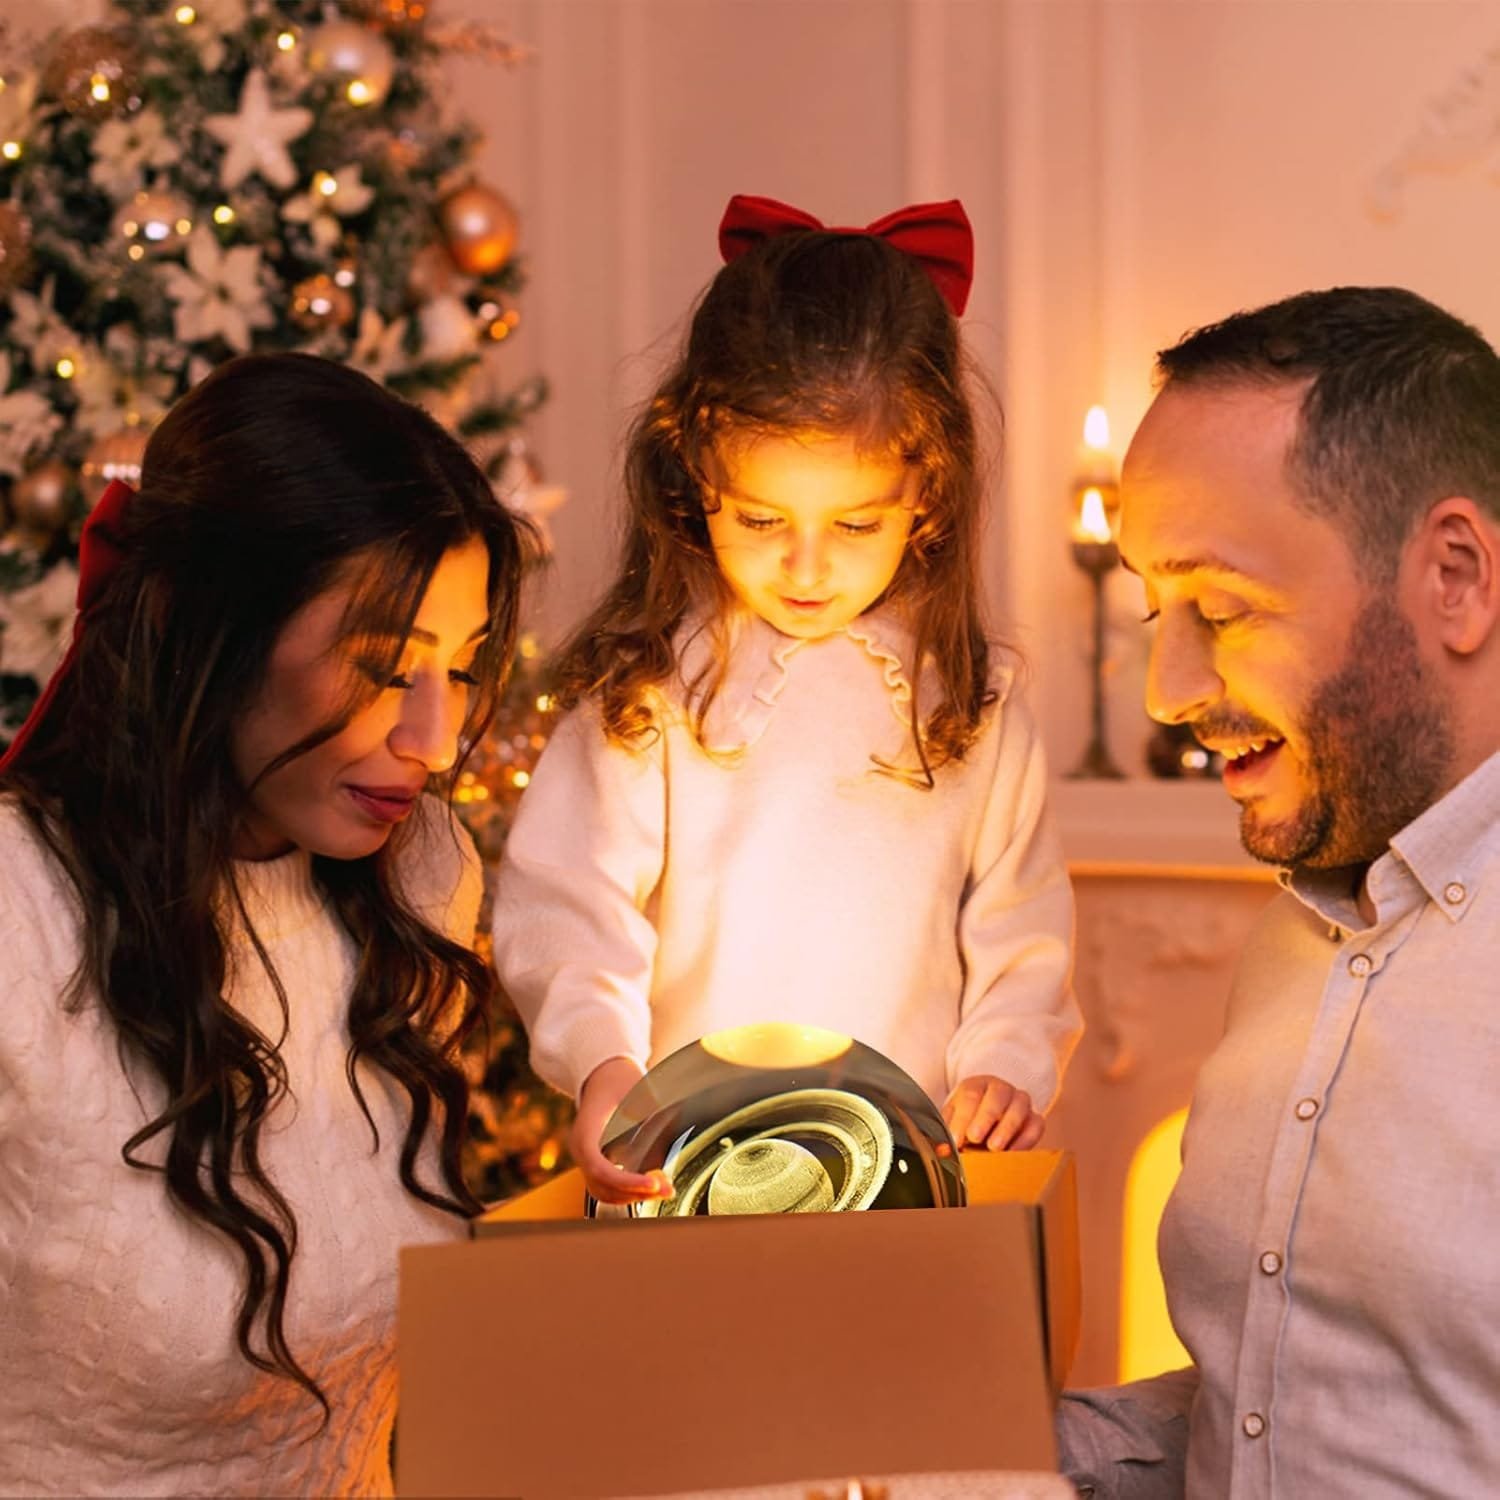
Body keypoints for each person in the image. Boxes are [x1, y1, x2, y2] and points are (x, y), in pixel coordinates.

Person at [0, 352, 533, 1496]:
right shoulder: (18, 920)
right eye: (388, 667)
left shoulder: (419, 877)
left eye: (465, 666)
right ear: (217, 631)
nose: (436, 740)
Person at [493, 195, 1081, 1204]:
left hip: (904, 1191)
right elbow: (567, 904)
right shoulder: (651, 696)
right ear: (697, 478)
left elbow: (1022, 933)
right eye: (762, 519)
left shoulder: (975, 709)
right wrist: (603, 1064)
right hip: (680, 1182)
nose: (806, 569)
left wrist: (1004, 1066)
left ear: (925, 496)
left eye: (855, 525)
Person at [1057, 286, 1500, 1498]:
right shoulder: (1294, 938)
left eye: (1221, 608)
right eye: (1158, 610)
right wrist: (999, 1458)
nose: (1164, 689)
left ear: (1455, 577)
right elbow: (1276, 1414)